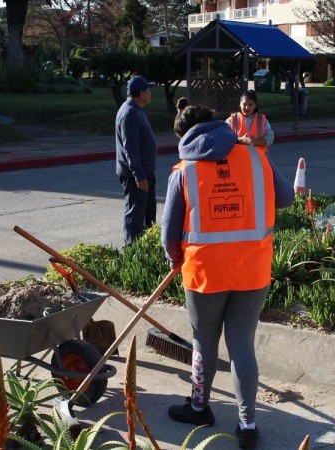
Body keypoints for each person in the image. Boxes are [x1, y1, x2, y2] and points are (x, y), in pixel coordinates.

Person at [162, 97, 294, 449]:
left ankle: (200, 408)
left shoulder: (184, 171)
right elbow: (285, 199)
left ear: (184, 136)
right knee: (241, 347)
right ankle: (247, 425)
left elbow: (169, 233)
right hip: (252, 270)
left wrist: (175, 257)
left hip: (205, 274)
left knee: (204, 342)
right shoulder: (255, 157)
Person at [115, 75, 158, 245]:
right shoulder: (130, 113)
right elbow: (130, 148)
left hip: (145, 173)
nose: (150, 93)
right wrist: (139, 176)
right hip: (136, 176)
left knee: (147, 216)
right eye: (148, 90)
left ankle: (145, 250)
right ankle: (131, 251)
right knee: (135, 216)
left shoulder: (135, 109)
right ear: (141, 93)